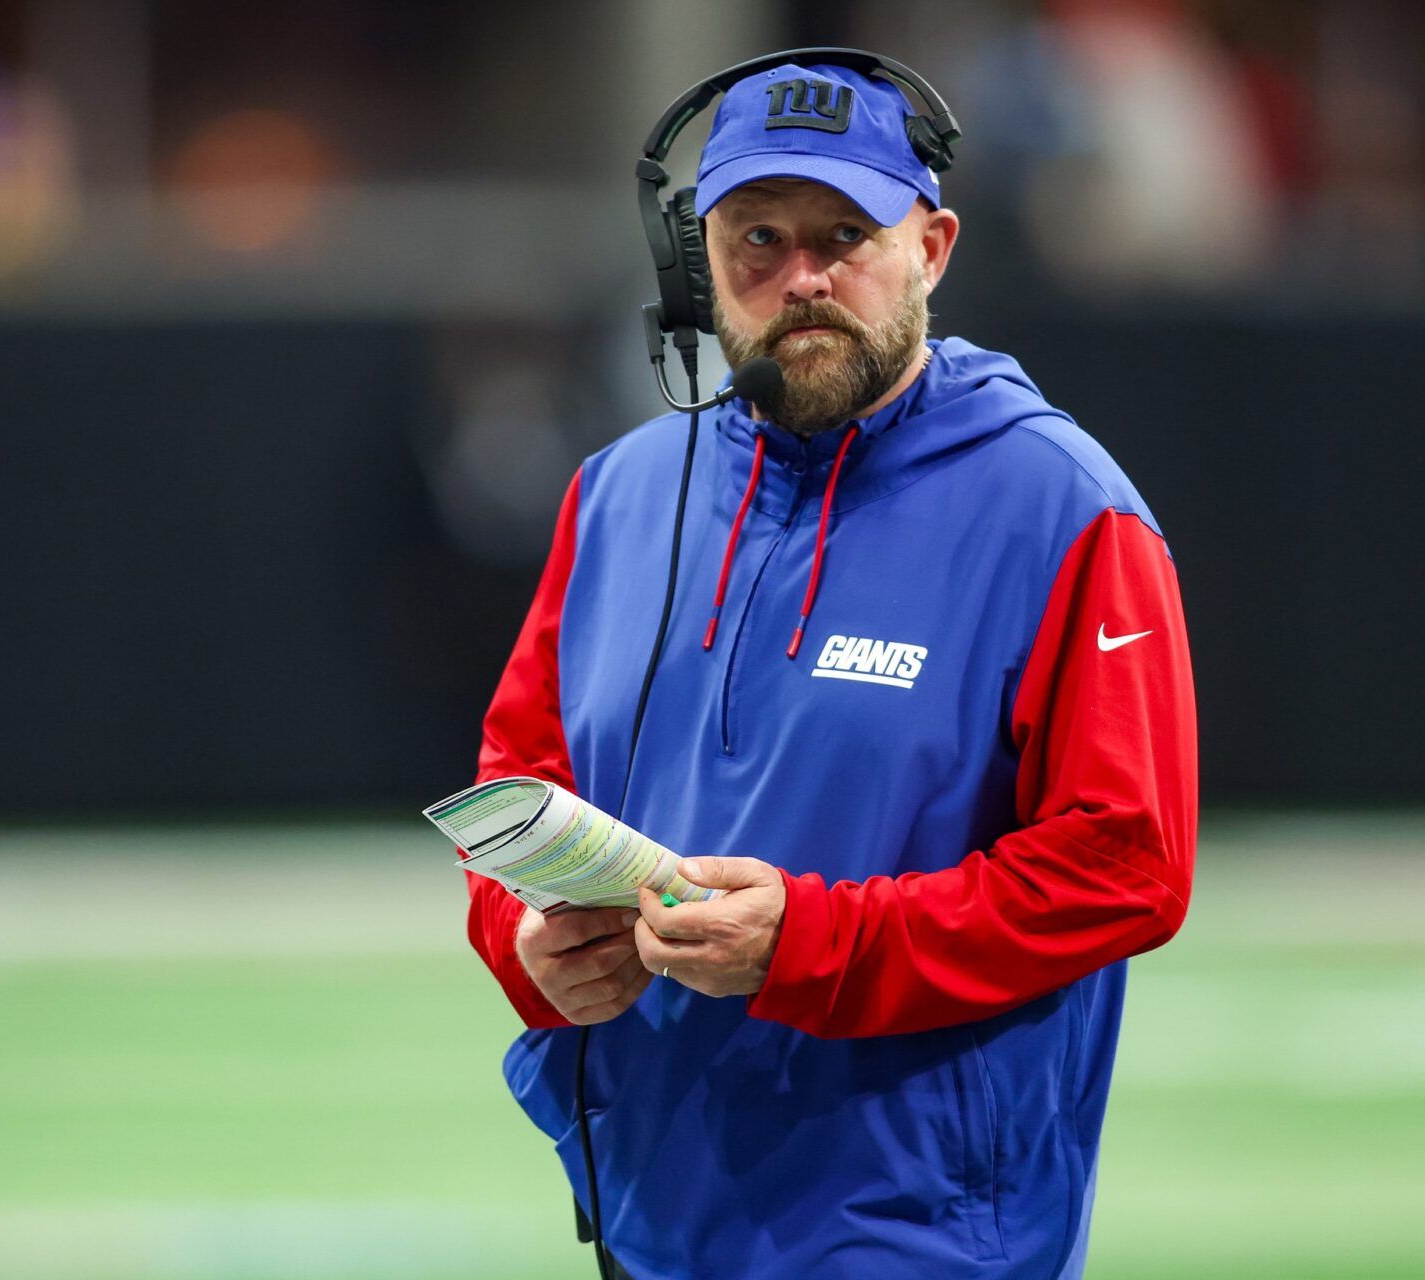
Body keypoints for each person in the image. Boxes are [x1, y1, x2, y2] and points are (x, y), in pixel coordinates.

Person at [461, 54, 1197, 1280]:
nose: (803, 276)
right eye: (758, 237)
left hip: (919, 1237)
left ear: (934, 246)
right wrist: (526, 939)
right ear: (699, 263)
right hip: (654, 1220)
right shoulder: (620, 495)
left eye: (845, 233)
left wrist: (814, 939)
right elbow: (522, 773)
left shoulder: (1063, 510)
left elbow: (1126, 863)